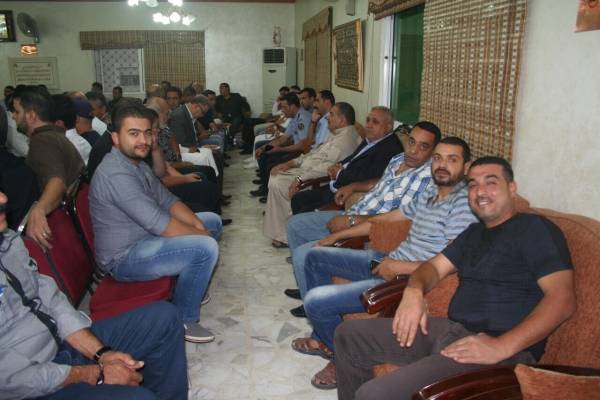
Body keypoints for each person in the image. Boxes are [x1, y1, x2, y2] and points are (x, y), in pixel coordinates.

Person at [334, 156, 576, 400]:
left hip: (500, 350)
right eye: (473, 185)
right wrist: (413, 291)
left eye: (491, 182)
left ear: (512, 189)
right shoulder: (473, 233)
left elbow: (562, 300)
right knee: (348, 335)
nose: (480, 191)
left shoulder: (534, 228)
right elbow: (432, 268)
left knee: (373, 394)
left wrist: (501, 346)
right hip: (453, 330)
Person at [291, 137, 478, 389]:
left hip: (406, 277)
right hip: (388, 259)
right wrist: (336, 236)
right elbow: (389, 218)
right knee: (314, 257)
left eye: (452, 159)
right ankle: (325, 339)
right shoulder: (431, 191)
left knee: (315, 301)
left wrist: (399, 268)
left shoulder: (464, 205)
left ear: (466, 166)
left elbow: (452, 263)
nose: (442, 165)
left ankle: (339, 357)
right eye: (438, 158)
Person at [0, 191, 188, 400]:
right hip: (31, 384)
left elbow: (52, 302)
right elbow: (9, 381)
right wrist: (95, 374)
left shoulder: (7, 241)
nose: (3, 198)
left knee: (165, 318)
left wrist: (102, 354)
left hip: (61, 343)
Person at [90, 104, 222, 343]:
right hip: (124, 258)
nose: (143, 140)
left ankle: (191, 286)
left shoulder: (137, 164)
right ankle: (184, 319)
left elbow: (168, 200)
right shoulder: (115, 174)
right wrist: (201, 236)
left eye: (147, 133)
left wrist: (199, 226)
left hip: (145, 238)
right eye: (133, 133)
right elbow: (161, 224)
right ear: (115, 138)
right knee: (205, 247)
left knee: (211, 221)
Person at [284, 121, 440, 298]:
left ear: (433, 151)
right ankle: (307, 283)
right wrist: (354, 186)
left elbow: (399, 220)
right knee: (295, 225)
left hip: (367, 229)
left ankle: (312, 301)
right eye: (411, 141)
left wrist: (352, 221)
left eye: (423, 146)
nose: (413, 150)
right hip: (354, 212)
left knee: (302, 255)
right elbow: (381, 181)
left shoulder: (427, 179)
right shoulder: (398, 159)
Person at [263, 102, 361, 247]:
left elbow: (325, 168)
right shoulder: (336, 134)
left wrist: (300, 178)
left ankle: (285, 235)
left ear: (342, 120)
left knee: (278, 182)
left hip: (317, 179)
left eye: (331, 115)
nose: (327, 118)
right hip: (306, 170)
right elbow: (313, 153)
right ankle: (281, 230)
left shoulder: (345, 140)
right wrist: (290, 163)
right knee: (276, 174)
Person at [289, 106, 404, 214]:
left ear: (389, 127)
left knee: (304, 210)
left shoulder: (390, 149)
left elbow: (369, 178)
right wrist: (337, 165)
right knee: (297, 199)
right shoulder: (372, 138)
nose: (368, 125)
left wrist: (339, 173)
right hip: (337, 184)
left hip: (346, 194)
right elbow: (353, 157)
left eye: (375, 122)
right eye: (368, 120)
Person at [13, 86, 85, 250]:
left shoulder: (42, 141)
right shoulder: (56, 137)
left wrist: (38, 210)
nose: (13, 116)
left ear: (31, 115)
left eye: (17, 112)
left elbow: (57, 182)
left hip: (62, 230)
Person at [251, 93, 312, 198]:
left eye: (284, 107)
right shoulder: (294, 118)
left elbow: (303, 145)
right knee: (265, 153)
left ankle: (268, 191)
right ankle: (265, 185)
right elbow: (283, 138)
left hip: (301, 153)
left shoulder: (303, 118)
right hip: (294, 148)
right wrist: (263, 148)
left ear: (292, 106)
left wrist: (280, 149)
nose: (282, 110)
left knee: (271, 162)